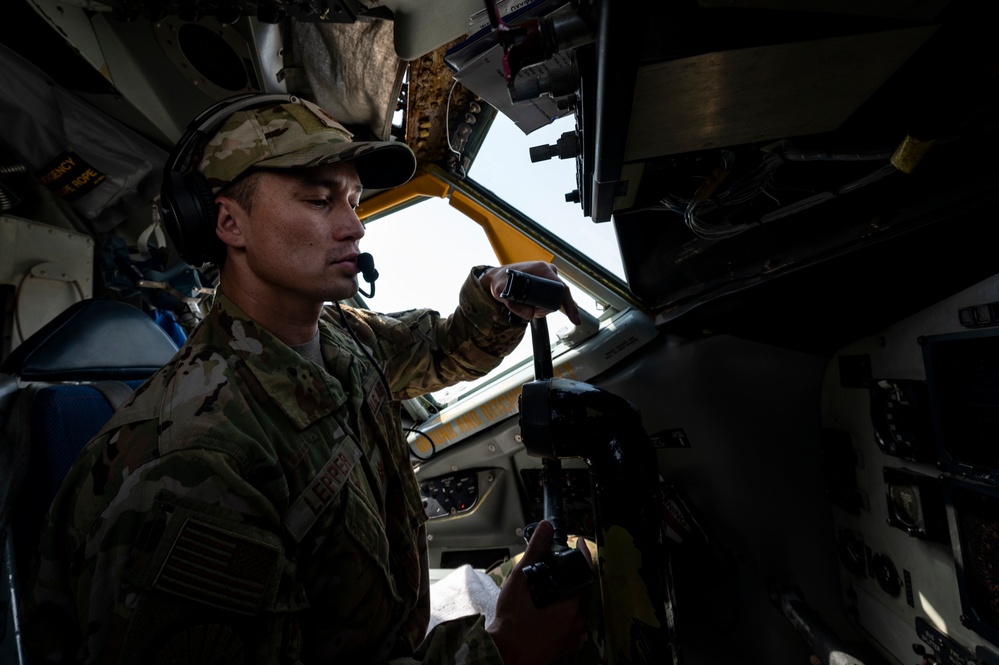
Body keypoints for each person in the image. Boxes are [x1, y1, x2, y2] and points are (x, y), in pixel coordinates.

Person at [23, 95, 590, 664]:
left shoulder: (343, 336)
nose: (354, 226)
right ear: (227, 222)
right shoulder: (196, 462)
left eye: (354, 201)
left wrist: (496, 297)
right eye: (320, 200)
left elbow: (440, 351)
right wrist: (501, 653)